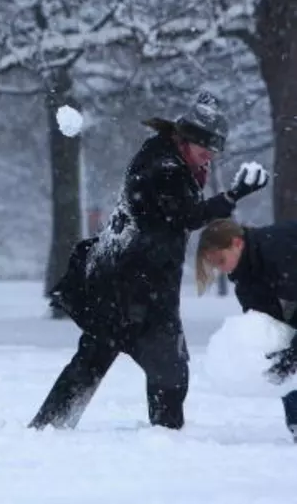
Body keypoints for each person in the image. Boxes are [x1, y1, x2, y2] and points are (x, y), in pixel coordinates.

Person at [29, 91, 269, 430]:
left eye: (212, 153)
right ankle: (162, 435)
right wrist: (231, 196)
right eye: (204, 151)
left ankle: (53, 425)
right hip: (131, 284)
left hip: (128, 280)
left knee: (108, 360)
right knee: (160, 367)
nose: (208, 160)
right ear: (187, 141)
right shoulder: (163, 166)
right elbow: (186, 215)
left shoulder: (168, 154)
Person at [195, 214, 297, 440]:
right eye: (215, 265)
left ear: (237, 243)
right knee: (283, 361)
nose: (221, 270)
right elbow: (270, 326)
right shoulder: (246, 278)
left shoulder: (277, 249)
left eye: (221, 261)